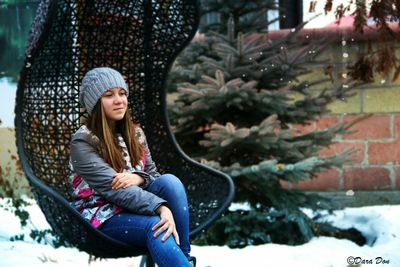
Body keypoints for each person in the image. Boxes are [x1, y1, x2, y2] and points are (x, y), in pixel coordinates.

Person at [69, 67, 195, 267]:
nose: (119, 100)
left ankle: (185, 257)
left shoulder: (136, 134)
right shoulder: (83, 142)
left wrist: (140, 178)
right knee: (156, 227)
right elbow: (115, 190)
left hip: (136, 206)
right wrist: (161, 207)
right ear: (95, 103)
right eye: (109, 95)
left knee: (170, 182)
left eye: (122, 93)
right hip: (101, 216)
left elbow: (153, 175)